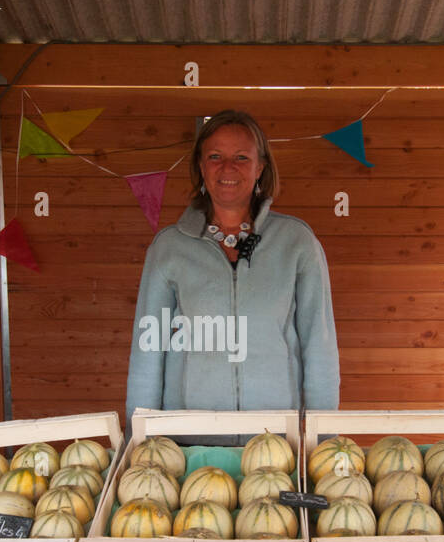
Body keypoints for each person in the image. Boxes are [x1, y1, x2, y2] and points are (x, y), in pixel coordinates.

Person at [124, 109, 340, 431]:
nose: (227, 168)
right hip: (189, 444)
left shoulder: (296, 243)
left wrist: (322, 442)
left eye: (241, 157)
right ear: (201, 166)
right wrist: (138, 440)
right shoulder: (169, 248)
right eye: (215, 156)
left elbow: (319, 349)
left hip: (275, 445)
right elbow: (147, 355)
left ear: (260, 168)